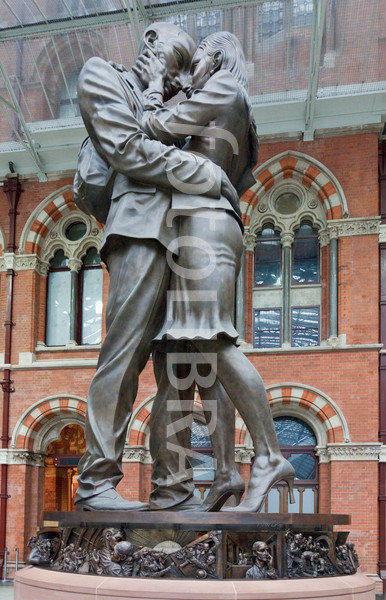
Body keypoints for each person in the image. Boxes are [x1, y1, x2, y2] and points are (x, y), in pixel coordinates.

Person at [74, 22, 238, 511]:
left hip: (189, 238)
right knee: (123, 357)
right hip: (141, 229)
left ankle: (174, 490)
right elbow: (126, 148)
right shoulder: (102, 75)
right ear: (149, 43)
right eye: (180, 57)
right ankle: (96, 484)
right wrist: (205, 174)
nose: (185, 74)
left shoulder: (170, 99)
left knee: (182, 370)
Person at [141, 31, 295, 512]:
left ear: (220, 56)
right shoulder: (232, 106)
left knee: (213, 340)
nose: (193, 68)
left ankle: (269, 456)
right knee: (200, 353)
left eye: (199, 57)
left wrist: (152, 87)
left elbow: (153, 126)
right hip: (201, 227)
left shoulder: (224, 87)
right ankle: (227, 470)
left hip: (203, 229)